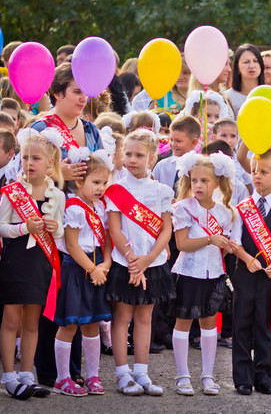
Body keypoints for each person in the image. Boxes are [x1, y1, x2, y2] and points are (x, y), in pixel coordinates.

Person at [104, 129, 175, 395]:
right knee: (122, 317)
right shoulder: (116, 190)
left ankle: (142, 373)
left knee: (145, 317)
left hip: (152, 263)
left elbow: (165, 230)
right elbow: (115, 229)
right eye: (128, 154)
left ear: (152, 157)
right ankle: (122, 374)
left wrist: (147, 260)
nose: (132, 159)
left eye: (139, 155)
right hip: (125, 264)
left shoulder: (162, 191)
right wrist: (133, 261)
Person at [0, 129, 65, 399]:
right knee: (11, 320)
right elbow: (0, 227)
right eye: (25, 157)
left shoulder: (56, 195)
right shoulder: (12, 192)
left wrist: (54, 226)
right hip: (16, 260)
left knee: (32, 323)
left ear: (50, 162)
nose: (29, 163)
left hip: (41, 262)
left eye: (36, 158)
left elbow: (58, 235)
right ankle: (9, 376)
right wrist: (25, 227)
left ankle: (27, 374)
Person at [230, 148, 271, 395]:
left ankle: (264, 376)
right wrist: (247, 258)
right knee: (242, 325)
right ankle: (243, 378)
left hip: (270, 276)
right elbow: (234, 241)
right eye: (254, 171)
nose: (257, 176)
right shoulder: (242, 208)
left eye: (264, 172)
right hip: (245, 274)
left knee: (266, 326)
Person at [170, 152, 236, 396]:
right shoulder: (182, 208)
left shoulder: (225, 212)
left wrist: (228, 246)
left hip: (214, 274)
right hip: (188, 273)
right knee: (183, 322)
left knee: (209, 323)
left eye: (204, 181)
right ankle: (182, 376)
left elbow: (228, 245)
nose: (198, 185)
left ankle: (208, 376)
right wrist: (210, 238)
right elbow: (182, 244)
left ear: (217, 183)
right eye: (195, 180)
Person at [52, 152, 114, 397]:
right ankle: (62, 378)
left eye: (104, 183)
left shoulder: (101, 207)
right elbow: (72, 244)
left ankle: (93, 376)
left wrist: (105, 265)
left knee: (92, 324)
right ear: (79, 182)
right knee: (70, 324)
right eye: (95, 182)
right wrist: (92, 269)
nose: (100, 188)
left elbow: (107, 241)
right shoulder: (74, 207)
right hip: (78, 268)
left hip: (98, 267)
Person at [31, 62, 104, 182]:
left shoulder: (91, 129)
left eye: (85, 92)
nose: (83, 98)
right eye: (77, 92)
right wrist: (57, 174)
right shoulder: (41, 128)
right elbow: (23, 174)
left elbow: (103, 172)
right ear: (58, 93)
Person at [225, 44, 265, 116]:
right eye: (246, 62)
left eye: (255, 61)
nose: (252, 66)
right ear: (238, 67)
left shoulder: (269, 94)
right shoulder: (228, 97)